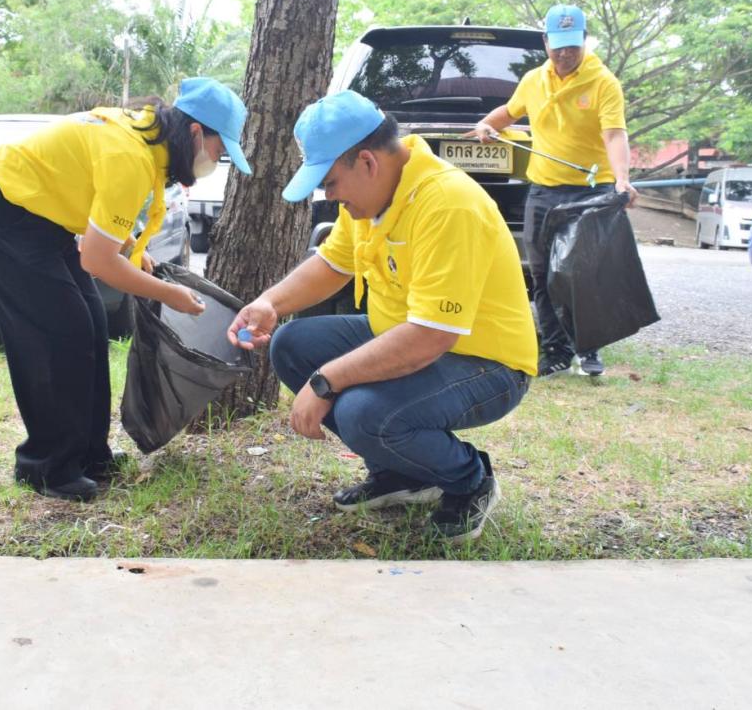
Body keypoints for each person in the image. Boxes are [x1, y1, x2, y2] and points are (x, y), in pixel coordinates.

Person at [228, 91, 536, 542]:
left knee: (361, 411)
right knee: (291, 344)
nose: (329, 195)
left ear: (368, 162)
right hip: (407, 338)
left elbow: (429, 338)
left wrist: (325, 382)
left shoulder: (448, 204)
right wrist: (270, 303)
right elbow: (334, 263)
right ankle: (404, 474)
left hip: (486, 363)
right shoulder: (375, 196)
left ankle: (470, 480)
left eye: (330, 182)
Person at [0, 78, 250, 500]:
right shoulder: (131, 156)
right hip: (5, 215)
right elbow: (96, 261)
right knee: (59, 334)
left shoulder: (148, 145)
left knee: (91, 324)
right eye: (218, 149)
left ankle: (91, 455)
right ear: (194, 133)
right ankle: (47, 467)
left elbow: (96, 199)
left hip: (45, 218)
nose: (217, 160)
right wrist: (166, 293)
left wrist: (132, 246)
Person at [466, 4, 638, 378]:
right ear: (546, 42)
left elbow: (614, 134)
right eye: (558, 45)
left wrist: (622, 179)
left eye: (572, 45)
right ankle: (555, 350)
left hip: (590, 191)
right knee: (542, 273)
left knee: (582, 274)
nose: (565, 53)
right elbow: (508, 113)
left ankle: (589, 349)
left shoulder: (603, 82)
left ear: (584, 41)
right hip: (543, 190)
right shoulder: (533, 80)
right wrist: (485, 124)